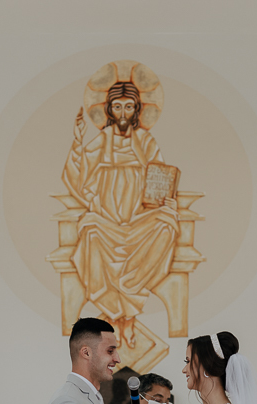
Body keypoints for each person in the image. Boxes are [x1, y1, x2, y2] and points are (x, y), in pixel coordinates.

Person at [63, 81, 179, 348]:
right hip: (106, 218)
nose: (124, 112)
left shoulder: (146, 141)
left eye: (129, 106)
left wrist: (166, 201)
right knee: (90, 233)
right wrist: (78, 140)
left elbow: (160, 178)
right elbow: (78, 176)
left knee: (167, 226)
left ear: (136, 109)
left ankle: (125, 311)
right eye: (118, 107)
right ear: (110, 110)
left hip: (139, 217)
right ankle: (122, 317)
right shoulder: (102, 140)